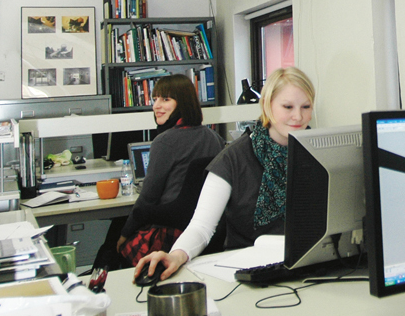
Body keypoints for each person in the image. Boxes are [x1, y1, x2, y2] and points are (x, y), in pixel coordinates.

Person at [134, 66, 315, 281]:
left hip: (308, 265)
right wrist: (176, 255)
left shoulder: (319, 151)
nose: (298, 116)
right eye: (287, 106)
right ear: (267, 106)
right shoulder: (234, 158)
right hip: (250, 271)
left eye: (306, 106)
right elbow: (202, 227)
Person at [111, 74, 226, 265]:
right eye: (155, 99)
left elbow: (148, 198)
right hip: (202, 232)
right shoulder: (214, 138)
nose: (157, 106)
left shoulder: (164, 142)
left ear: (182, 103)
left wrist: (124, 235)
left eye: (166, 99)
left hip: (166, 235)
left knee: (112, 241)